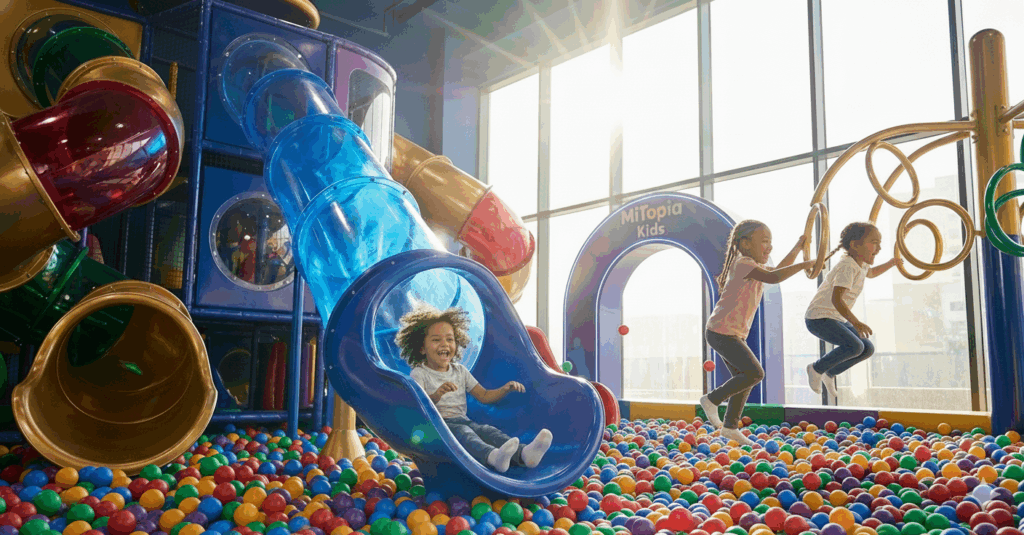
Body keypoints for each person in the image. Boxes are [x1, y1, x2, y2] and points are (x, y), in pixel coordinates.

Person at [395, 305, 553, 472]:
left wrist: (505, 389)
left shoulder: (460, 371)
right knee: (465, 433)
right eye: (436, 340)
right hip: (437, 427)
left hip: (463, 420)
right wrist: (437, 394)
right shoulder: (419, 373)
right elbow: (419, 405)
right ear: (421, 348)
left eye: (450, 339)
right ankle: (493, 457)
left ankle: (524, 454)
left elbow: (484, 395)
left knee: (487, 431)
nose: (444, 344)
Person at [701, 220, 814, 446]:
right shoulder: (743, 263)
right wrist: (805, 264)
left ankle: (730, 427)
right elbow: (775, 277)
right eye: (764, 241)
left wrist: (798, 248)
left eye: (770, 242)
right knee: (754, 373)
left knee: (744, 378)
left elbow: (778, 270)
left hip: (728, 332)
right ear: (744, 243)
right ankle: (711, 400)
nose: (769, 247)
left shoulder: (753, 266)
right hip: (721, 331)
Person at [804, 222, 898, 399]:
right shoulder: (847, 266)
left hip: (835, 318)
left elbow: (872, 273)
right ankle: (816, 368)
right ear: (855, 245)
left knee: (867, 348)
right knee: (855, 346)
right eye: (874, 242)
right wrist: (856, 322)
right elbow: (836, 299)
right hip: (819, 318)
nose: (879, 248)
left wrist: (892, 263)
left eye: (879, 243)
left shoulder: (860, 265)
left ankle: (829, 373)